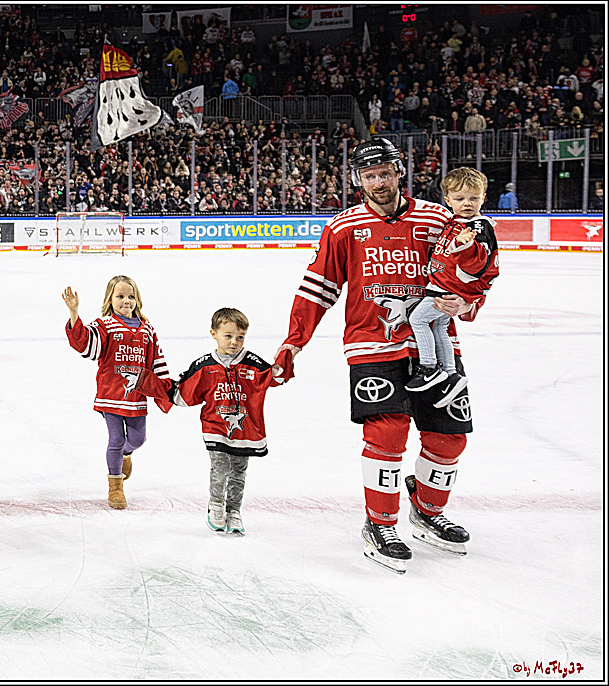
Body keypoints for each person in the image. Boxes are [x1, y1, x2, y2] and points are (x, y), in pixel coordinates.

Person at [273, 138, 487, 575]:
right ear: (358, 180)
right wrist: (294, 342)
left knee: (450, 438)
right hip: (372, 345)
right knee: (387, 436)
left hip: (437, 340)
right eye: (369, 175)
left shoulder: (439, 217)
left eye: (385, 173)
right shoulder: (343, 228)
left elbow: (472, 270)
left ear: (398, 173)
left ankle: (427, 510)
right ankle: (381, 523)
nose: (379, 182)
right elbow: (319, 288)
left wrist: (467, 304)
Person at [141, 308, 277, 535]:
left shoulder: (253, 363)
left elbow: (275, 377)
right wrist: (148, 382)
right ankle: (216, 506)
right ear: (213, 333)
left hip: (245, 431)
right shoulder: (204, 366)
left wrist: (286, 358)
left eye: (240, 337)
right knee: (220, 466)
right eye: (228, 336)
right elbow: (183, 394)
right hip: (215, 427)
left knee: (239, 471)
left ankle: (234, 511)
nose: (234, 342)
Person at [62, 276, 172, 509]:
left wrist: (164, 387)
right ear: (110, 299)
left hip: (136, 395)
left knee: (137, 439)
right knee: (116, 439)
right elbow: (84, 343)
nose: (126, 301)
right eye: (120, 296)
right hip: (111, 394)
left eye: (131, 296)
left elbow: (156, 360)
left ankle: (125, 455)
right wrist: (74, 313)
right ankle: (115, 486)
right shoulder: (105, 325)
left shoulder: (147, 329)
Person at [407, 167, 499, 406]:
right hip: (442, 283)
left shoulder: (477, 226)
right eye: (459, 199)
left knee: (417, 319)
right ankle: (450, 374)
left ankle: (428, 366)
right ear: (447, 200)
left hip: (451, 289)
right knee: (439, 327)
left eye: (473, 198)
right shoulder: (455, 221)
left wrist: (466, 245)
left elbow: (480, 260)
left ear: (483, 198)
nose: (467, 204)